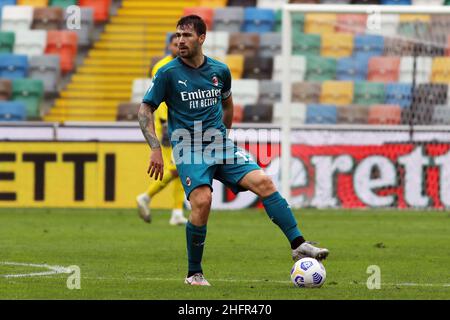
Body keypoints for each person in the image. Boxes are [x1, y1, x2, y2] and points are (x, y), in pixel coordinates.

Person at [138, 15, 329, 286]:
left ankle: (298, 245)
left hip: (220, 145)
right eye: (178, 35)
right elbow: (145, 108)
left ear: (201, 38)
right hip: (188, 147)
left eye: (187, 35)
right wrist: (155, 148)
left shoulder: (220, 71)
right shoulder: (168, 73)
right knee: (202, 202)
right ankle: (194, 273)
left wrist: (223, 135)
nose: (180, 40)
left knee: (264, 182)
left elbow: (228, 105)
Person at [136, 33, 188, 226]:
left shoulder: (182, 65)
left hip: (179, 124)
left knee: (182, 168)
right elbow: (159, 98)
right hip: (168, 124)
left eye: (179, 44)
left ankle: (176, 212)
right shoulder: (163, 66)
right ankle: (146, 197)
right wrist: (166, 122)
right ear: (169, 46)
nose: (178, 47)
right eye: (174, 44)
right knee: (175, 169)